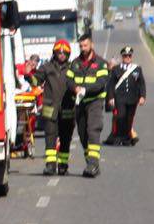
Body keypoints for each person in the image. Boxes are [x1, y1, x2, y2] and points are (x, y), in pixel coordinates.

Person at [25, 40, 76, 176]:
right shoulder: (46, 67)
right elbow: (37, 81)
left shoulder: (73, 68)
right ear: (54, 53)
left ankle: (63, 165)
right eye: (59, 52)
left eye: (64, 53)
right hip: (50, 108)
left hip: (67, 109)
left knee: (66, 138)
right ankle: (50, 165)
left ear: (68, 54)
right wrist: (28, 75)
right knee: (50, 137)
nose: (61, 55)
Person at [66, 33, 109, 178]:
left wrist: (85, 89)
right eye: (81, 46)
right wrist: (75, 88)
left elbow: (101, 83)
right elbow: (69, 80)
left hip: (95, 101)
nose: (83, 48)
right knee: (83, 134)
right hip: (80, 103)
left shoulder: (101, 63)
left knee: (93, 130)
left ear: (92, 45)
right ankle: (91, 162)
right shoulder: (75, 63)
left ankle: (93, 164)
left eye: (85, 45)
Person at [105, 45, 147, 146]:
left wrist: (142, 96)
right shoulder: (116, 69)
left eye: (129, 56)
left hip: (133, 98)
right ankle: (118, 137)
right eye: (125, 56)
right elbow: (111, 84)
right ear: (122, 57)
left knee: (129, 118)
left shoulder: (137, 69)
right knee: (120, 116)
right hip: (120, 98)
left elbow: (141, 83)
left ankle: (127, 138)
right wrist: (110, 97)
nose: (127, 58)